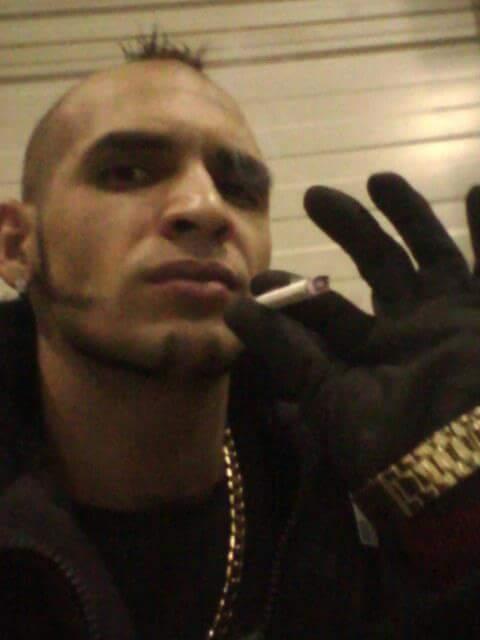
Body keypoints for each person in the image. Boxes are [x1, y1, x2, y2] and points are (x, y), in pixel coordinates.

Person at [1, 33, 480, 639]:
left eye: (240, 190)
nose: (206, 208)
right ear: (16, 245)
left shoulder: (351, 492)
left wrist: (461, 514)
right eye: (127, 172)